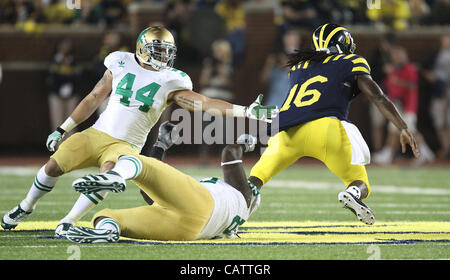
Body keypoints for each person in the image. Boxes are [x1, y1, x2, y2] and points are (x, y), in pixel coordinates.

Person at [1, 26, 277, 235]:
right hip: (97, 132)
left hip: (126, 145)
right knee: (52, 166)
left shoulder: (172, 80)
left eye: (168, 51)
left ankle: (68, 222)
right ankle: (26, 205)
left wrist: (245, 110)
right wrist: (63, 128)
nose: (165, 56)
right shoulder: (119, 61)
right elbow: (94, 97)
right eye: (159, 50)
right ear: (143, 48)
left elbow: (203, 103)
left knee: (107, 175)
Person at [247, 23, 419, 225]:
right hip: (326, 129)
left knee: (255, 179)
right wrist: (402, 127)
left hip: (287, 131)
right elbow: (378, 97)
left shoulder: (299, 66)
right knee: (360, 183)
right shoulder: (350, 61)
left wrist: (257, 133)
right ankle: (352, 193)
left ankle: (236, 211)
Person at [64, 121, 260, 243]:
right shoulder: (234, 214)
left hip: (204, 204)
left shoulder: (242, 196)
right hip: (187, 231)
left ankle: (115, 175)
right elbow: (150, 195)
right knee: (106, 216)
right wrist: (161, 146)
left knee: (135, 160)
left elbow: (230, 153)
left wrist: (246, 142)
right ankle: (107, 231)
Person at [373, 45, 434, 166]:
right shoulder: (395, 69)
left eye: (398, 55)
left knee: (411, 130)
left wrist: (397, 80)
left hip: (408, 106)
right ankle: (388, 154)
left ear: (404, 55)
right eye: (394, 56)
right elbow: (387, 85)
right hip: (397, 106)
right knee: (393, 130)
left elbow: (413, 86)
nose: (396, 57)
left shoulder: (409, 68)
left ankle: (426, 153)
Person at [47, 38, 80, 135]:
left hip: (72, 95)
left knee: (71, 123)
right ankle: (58, 148)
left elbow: (78, 76)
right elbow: (51, 76)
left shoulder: (74, 60)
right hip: (56, 94)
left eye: (67, 45)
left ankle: (70, 148)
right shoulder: (54, 60)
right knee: (57, 122)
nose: (65, 48)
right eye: (63, 45)